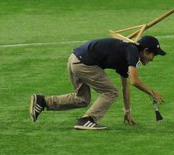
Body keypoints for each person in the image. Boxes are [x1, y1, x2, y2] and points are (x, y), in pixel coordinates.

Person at [29, 36, 166, 130]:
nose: (153, 59)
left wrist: (127, 111)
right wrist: (152, 93)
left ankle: (42, 101)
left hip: (74, 59)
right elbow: (134, 81)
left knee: (82, 99)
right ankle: (87, 120)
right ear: (146, 51)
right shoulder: (132, 52)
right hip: (84, 63)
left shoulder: (127, 52)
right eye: (154, 55)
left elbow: (126, 86)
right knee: (111, 92)